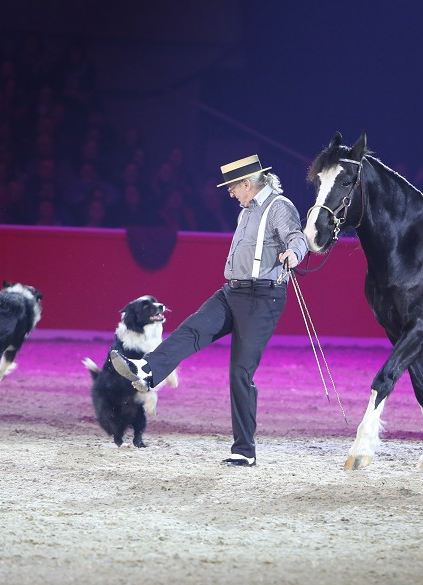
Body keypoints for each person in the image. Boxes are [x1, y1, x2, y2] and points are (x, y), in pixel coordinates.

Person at [110, 155, 308, 467]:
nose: (230, 193)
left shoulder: (279, 207)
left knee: (240, 372)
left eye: (232, 187)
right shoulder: (246, 211)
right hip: (233, 291)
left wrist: (294, 254)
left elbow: (297, 237)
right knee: (193, 328)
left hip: (263, 297)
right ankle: (148, 371)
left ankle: (244, 450)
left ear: (247, 183)